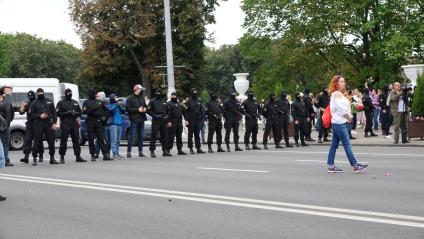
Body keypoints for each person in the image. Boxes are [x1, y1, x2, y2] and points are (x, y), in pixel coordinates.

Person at [326, 75, 368, 173]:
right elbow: (341, 110)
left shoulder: (339, 94)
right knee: (347, 144)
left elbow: (344, 108)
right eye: (341, 81)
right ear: (335, 83)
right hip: (340, 123)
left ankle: (331, 165)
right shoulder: (336, 94)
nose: (344, 83)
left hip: (338, 123)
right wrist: (349, 117)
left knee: (334, 145)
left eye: (344, 81)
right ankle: (355, 166)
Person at [30, 88, 59, 165]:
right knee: (37, 141)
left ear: (43, 93)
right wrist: (39, 115)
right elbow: (31, 114)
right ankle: (34, 158)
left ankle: (52, 158)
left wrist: (54, 122)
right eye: (38, 93)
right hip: (38, 123)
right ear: (36, 94)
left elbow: (54, 113)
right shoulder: (34, 103)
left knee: (51, 141)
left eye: (41, 92)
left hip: (48, 123)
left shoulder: (49, 101)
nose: (40, 94)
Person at [56, 89, 86, 163]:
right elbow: (57, 113)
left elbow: (80, 112)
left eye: (71, 93)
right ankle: (62, 156)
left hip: (74, 123)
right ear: (65, 94)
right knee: (64, 140)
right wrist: (67, 113)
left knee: (76, 139)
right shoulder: (61, 103)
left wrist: (75, 113)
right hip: (65, 123)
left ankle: (78, 156)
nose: (70, 94)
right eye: (68, 93)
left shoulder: (75, 102)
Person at [83, 89, 112, 161]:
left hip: (98, 121)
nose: (93, 94)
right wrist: (95, 108)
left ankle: (105, 154)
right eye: (92, 93)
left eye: (94, 93)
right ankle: (93, 154)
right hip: (90, 121)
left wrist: (104, 119)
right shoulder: (86, 102)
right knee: (91, 139)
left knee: (101, 138)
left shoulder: (99, 102)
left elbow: (106, 111)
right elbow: (85, 111)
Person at [19, 91, 45, 164]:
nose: (31, 98)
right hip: (30, 123)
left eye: (32, 96)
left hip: (38, 123)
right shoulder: (27, 103)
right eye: (29, 97)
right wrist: (23, 105)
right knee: (27, 139)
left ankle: (40, 155)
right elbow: (21, 112)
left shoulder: (38, 102)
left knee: (38, 140)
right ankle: (26, 156)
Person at [125, 85, 148, 158]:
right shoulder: (130, 98)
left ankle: (140, 152)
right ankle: (128, 152)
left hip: (142, 119)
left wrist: (145, 109)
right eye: (140, 89)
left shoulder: (141, 98)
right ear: (136, 89)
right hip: (134, 119)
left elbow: (145, 106)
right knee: (132, 136)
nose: (141, 90)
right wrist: (137, 110)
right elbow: (127, 109)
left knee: (141, 136)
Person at [147, 89, 171, 157]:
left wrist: (167, 116)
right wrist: (155, 115)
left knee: (165, 135)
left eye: (159, 93)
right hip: (156, 119)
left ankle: (165, 150)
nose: (158, 94)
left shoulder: (164, 101)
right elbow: (148, 110)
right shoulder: (152, 101)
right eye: (157, 93)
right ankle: (152, 151)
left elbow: (169, 110)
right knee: (153, 135)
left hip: (164, 120)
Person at [184, 88, 205, 154]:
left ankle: (198, 148)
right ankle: (191, 148)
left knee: (197, 134)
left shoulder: (199, 100)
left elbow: (201, 110)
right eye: (194, 92)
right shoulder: (188, 101)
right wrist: (186, 120)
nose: (195, 93)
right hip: (191, 120)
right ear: (191, 93)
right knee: (190, 135)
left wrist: (202, 118)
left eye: (196, 92)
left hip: (197, 119)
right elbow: (186, 112)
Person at [0, 86, 15, 166]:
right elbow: (4, 106)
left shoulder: (7, 102)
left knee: (5, 144)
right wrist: (8, 94)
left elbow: (12, 113)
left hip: (5, 126)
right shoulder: (6, 102)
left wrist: (8, 122)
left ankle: (5, 159)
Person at [108, 94, 125, 159]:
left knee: (118, 140)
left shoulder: (117, 105)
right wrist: (116, 104)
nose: (116, 99)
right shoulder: (109, 106)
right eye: (115, 98)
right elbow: (112, 111)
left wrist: (119, 105)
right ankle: (114, 154)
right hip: (113, 124)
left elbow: (123, 111)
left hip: (119, 124)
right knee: (114, 140)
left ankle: (117, 153)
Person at [95, 92, 110, 158]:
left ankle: (107, 152)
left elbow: (107, 113)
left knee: (106, 139)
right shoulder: (96, 104)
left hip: (105, 124)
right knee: (98, 139)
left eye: (98, 96)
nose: (97, 97)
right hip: (99, 124)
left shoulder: (105, 104)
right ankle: (96, 152)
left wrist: (104, 119)